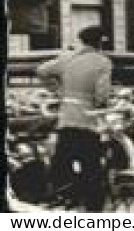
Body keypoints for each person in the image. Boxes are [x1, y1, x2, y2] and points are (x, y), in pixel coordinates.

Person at [37, 25, 113, 211]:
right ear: (100, 43)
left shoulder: (68, 58)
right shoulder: (103, 62)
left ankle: (65, 197)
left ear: (83, 41)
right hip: (89, 121)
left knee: (62, 161)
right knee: (92, 168)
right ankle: (92, 211)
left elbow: (41, 70)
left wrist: (57, 90)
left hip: (67, 119)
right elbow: (101, 95)